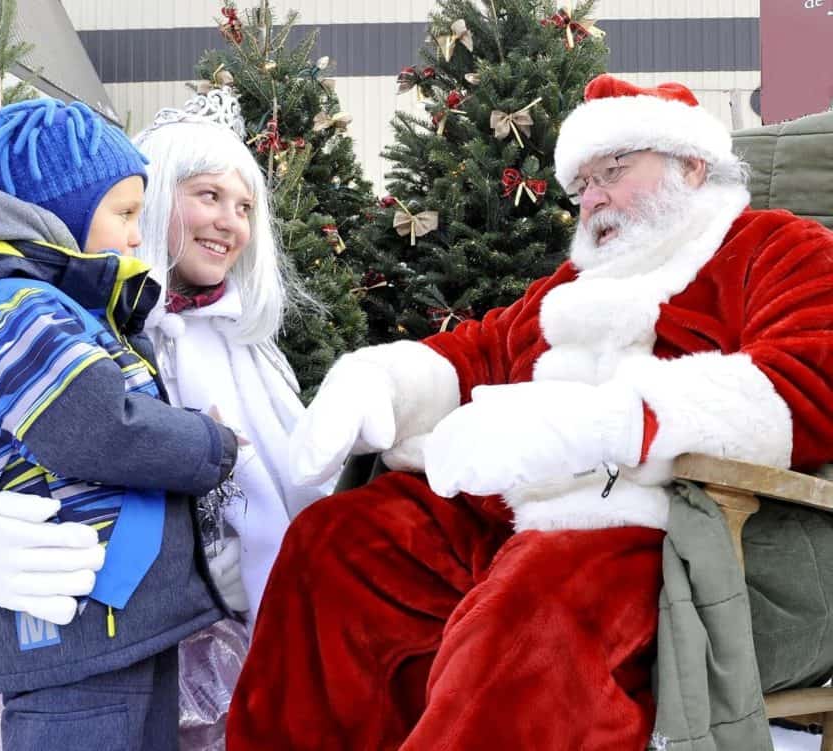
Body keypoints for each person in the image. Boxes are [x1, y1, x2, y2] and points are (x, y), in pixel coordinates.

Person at [226, 74, 833, 750]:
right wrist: (381, 381)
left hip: (673, 528)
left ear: (690, 164)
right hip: (514, 514)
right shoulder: (570, 287)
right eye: (581, 186)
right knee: (337, 543)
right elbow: (479, 349)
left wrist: (598, 425)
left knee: (532, 616)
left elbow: (807, 381)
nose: (593, 196)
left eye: (614, 170)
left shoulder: (777, 247)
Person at [0, 88, 327, 751]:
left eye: (246, 206)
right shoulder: (41, 308)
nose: (228, 220)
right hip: (70, 630)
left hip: (181, 645)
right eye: (206, 195)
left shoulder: (245, 349)